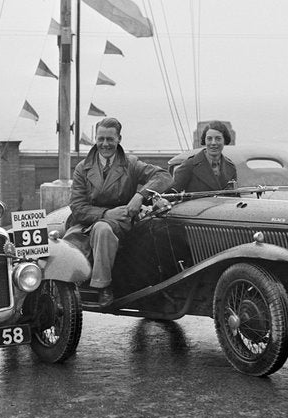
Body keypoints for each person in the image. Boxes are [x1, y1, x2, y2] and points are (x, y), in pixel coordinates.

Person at [67, 117, 171, 306]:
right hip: (85, 223)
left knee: (103, 230)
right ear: (95, 139)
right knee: (64, 244)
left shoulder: (130, 164)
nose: (105, 144)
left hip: (121, 222)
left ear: (119, 139)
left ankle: (103, 286)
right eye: (101, 139)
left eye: (110, 139)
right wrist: (106, 214)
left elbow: (163, 176)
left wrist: (140, 195)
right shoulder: (83, 168)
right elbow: (77, 207)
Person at [170, 120, 238, 194]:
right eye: (209, 139)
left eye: (218, 139)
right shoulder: (189, 165)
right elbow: (172, 194)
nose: (213, 143)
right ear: (204, 141)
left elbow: (233, 198)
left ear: (224, 141)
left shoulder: (230, 167)